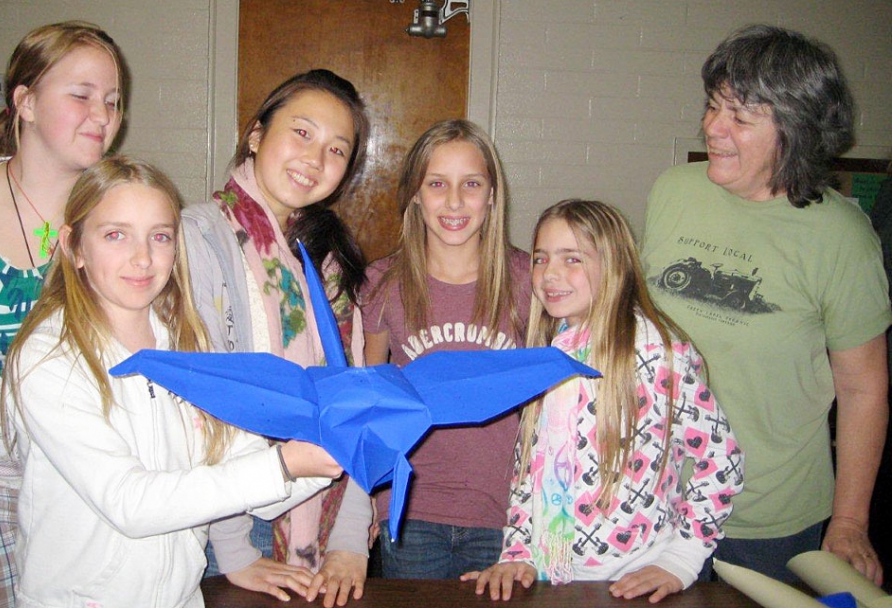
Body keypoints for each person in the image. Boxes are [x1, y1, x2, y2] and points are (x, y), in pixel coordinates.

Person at [0, 155, 342, 607]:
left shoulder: (185, 342)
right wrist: (283, 466)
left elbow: (243, 468)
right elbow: (130, 504)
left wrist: (337, 449)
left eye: (160, 237)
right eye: (115, 234)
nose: (143, 258)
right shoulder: (49, 357)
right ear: (74, 247)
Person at [641, 25, 891, 585]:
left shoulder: (840, 237)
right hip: (653, 502)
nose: (712, 127)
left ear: (795, 132)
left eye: (740, 117)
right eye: (712, 106)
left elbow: (862, 388)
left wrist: (850, 521)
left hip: (763, 520)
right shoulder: (673, 190)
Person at [0, 21, 125, 606]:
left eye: (112, 101)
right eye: (82, 95)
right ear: (26, 102)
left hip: (82, 486)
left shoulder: (115, 218)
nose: (103, 115)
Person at [463, 199, 743, 603]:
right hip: (550, 573)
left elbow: (722, 462)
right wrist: (518, 552)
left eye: (572, 259)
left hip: (631, 578)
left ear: (614, 265)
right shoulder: (552, 351)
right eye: (540, 259)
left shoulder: (656, 355)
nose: (549, 274)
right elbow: (533, 469)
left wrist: (681, 560)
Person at [182, 68, 371, 607]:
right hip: (233, 521)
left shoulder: (323, 258)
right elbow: (203, 400)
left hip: (317, 507)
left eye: (337, 150)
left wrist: (351, 537)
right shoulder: (201, 235)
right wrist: (235, 547)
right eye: (302, 133)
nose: (315, 160)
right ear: (257, 134)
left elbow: (353, 402)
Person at [361, 119, 531, 579]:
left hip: (511, 516)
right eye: (437, 184)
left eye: (471, 184)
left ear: (492, 194)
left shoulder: (530, 281)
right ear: (415, 194)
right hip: (413, 512)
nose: (454, 201)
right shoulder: (383, 283)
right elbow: (369, 407)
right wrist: (372, 507)